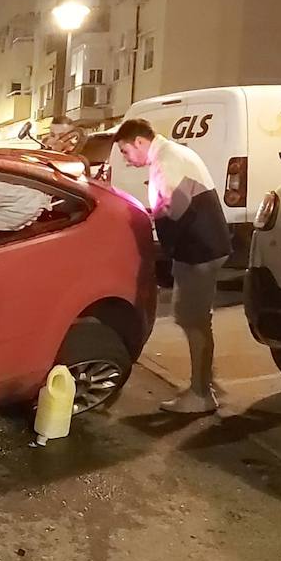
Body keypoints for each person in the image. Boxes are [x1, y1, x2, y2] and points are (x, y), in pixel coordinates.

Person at [115, 118, 231, 414]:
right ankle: (205, 381)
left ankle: (200, 393)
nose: (127, 160)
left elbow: (169, 210)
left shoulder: (165, 162)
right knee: (197, 318)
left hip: (198, 252)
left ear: (140, 142)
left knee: (192, 320)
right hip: (208, 246)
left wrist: (154, 237)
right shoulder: (178, 153)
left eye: (126, 151)